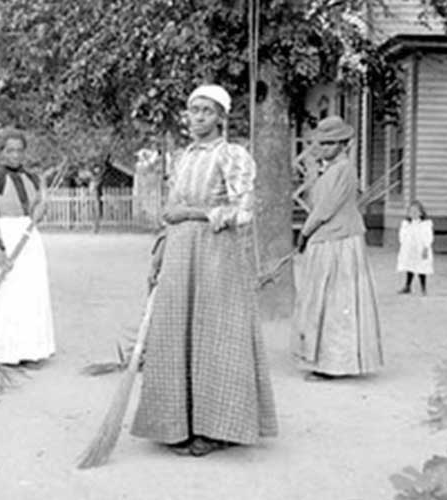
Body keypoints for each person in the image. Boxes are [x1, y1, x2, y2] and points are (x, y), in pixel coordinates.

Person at [130, 84, 278, 456]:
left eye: (206, 111)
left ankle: (217, 429)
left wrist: (194, 215)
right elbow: (172, 210)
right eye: (193, 110)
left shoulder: (232, 155)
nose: (197, 118)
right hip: (180, 253)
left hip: (216, 253)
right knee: (177, 333)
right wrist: (161, 251)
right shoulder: (183, 157)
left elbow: (245, 211)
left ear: (221, 117)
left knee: (215, 336)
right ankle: (178, 422)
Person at [292, 115, 384, 381]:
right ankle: (323, 359)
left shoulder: (342, 170)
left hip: (339, 241)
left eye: (331, 143)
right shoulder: (330, 170)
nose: (324, 148)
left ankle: (334, 363)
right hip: (328, 239)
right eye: (321, 143)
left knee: (335, 300)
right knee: (324, 299)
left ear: (343, 144)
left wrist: (305, 232)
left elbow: (324, 209)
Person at [0, 129, 55, 366]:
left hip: (28, 240)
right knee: (4, 294)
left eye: (19, 150)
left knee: (28, 292)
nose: (15, 155)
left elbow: (35, 210)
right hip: (2, 240)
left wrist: (40, 209)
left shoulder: (32, 178)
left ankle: (28, 350)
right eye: (10, 150)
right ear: (1, 152)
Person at [397, 200, 433, 295]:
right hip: (410, 249)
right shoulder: (406, 224)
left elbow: (428, 236)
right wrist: (403, 245)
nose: (413, 214)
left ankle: (423, 288)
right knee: (410, 267)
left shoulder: (425, 224)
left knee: (422, 268)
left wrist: (426, 247)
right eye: (411, 212)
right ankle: (407, 286)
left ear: (421, 213)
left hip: (420, 248)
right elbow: (402, 235)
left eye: (416, 212)